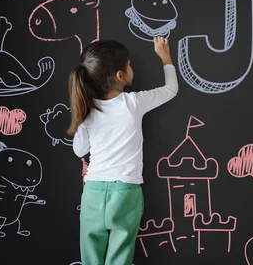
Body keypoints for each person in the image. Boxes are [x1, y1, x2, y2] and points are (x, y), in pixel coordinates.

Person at [68, 37, 179, 265]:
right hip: (126, 191)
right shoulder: (133, 103)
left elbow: (80, 150)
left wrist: (81, 119)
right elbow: (171, 90)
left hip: (94, 192)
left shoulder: (87, 110)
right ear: (120, 76)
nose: (132, 67)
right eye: (129, 64)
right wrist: (165, 57)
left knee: (90, 257)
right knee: (120, 258)